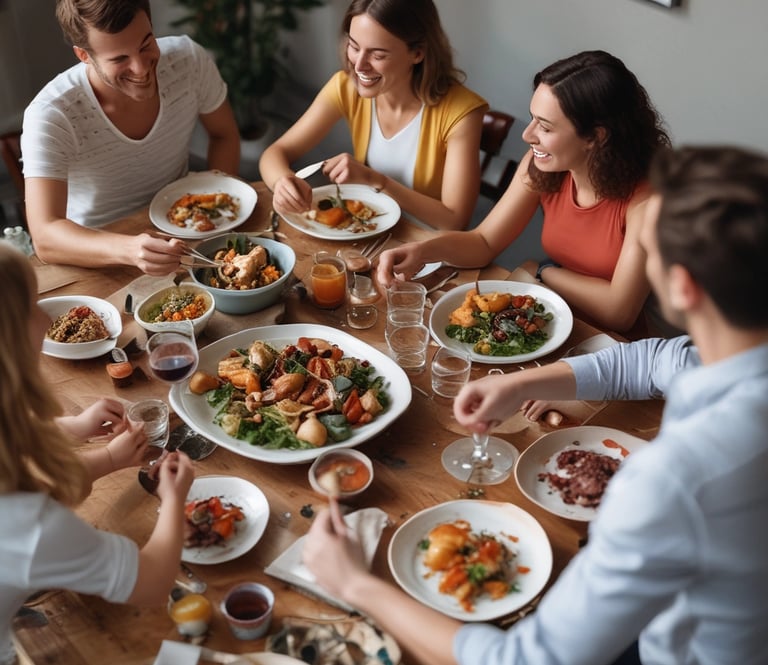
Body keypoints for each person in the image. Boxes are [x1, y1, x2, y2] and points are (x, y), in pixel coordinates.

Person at [304, 146, 768, 665]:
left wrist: (354, 583)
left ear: (682, 286)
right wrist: (521, 384)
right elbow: (656, 359)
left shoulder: (673, 481)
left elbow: (526, 659)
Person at [377, 50, 671, 335]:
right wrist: (423, 250)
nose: (527, 135)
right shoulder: (543, 166)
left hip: (614, 344)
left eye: (544, 127)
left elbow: (619, 312)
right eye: (532, 118)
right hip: (553, 316)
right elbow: (483, 241)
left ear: (596, 136)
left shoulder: (647, 202)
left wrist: (544, 270)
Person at [0, 245, 195, 665]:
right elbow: (151, 583)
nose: (49, 319)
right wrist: (174, 499)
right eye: (33, 307)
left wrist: (74, 430)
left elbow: (12, 446)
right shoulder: (30, 529)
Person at [21, 0, 241, 275]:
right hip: (98, 259)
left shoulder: (189, 60)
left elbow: (224, 135)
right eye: (119, 59)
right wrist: (130, 249)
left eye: (146, 44)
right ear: (84, 55)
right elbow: (45, 236)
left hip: (185, 235)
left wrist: (215, 212)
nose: (140, 68)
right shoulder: (51, 114)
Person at [259, 0, 487, 231]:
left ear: (417, 53)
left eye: (377, 55)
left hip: (431, 246)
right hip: (371, 234)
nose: (359, 66)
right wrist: (282, 183)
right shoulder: (346, 87)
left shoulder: (461, 113)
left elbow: (455, 220)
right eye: (354, 47)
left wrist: (376, 181)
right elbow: (274, 153)